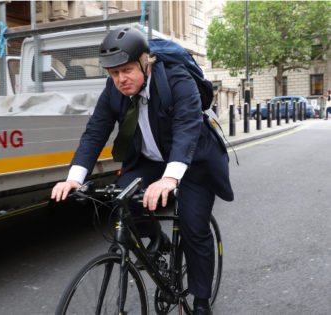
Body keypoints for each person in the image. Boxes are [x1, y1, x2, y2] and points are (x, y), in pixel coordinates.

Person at [51, 27, 233, 315]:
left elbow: (187, 128)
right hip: (149, 159)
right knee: (121, 198)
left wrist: (170, 178)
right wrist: (74, 178)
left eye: (126, 70)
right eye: (113, 73)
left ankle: (200, 302)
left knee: (193, 225)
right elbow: (96, 131)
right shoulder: (115, 88)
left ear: (145, 62)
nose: (120, 79)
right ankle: (158, 240)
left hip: (193, 160)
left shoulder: (177, 79)